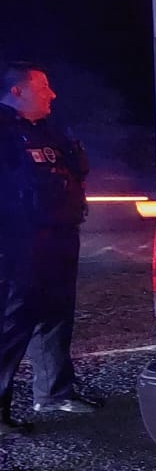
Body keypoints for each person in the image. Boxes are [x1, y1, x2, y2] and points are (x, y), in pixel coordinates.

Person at [0, 61, 99, 426]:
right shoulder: (4, 131)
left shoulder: (47, 130)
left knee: (57, 315)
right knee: (12, 325)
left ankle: (54, 394)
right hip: (19, 243)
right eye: (43, 87)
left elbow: (75, 171)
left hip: (58, 236)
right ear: (17, 91)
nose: (52, 94)